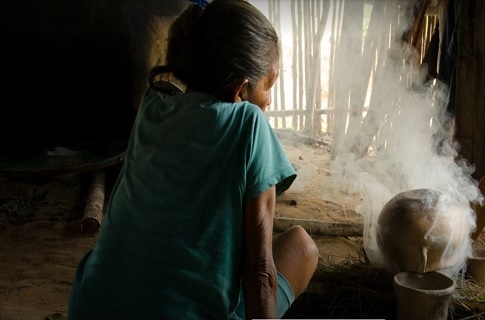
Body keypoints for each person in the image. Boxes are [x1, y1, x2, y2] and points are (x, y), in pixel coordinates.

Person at [67, 0, 319, 319]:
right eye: (269, 87)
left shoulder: (152, 106)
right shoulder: (249, 125)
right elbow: (259, 276)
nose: (269, 102)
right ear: (240, 90)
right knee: (301, 247)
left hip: (92, 307)